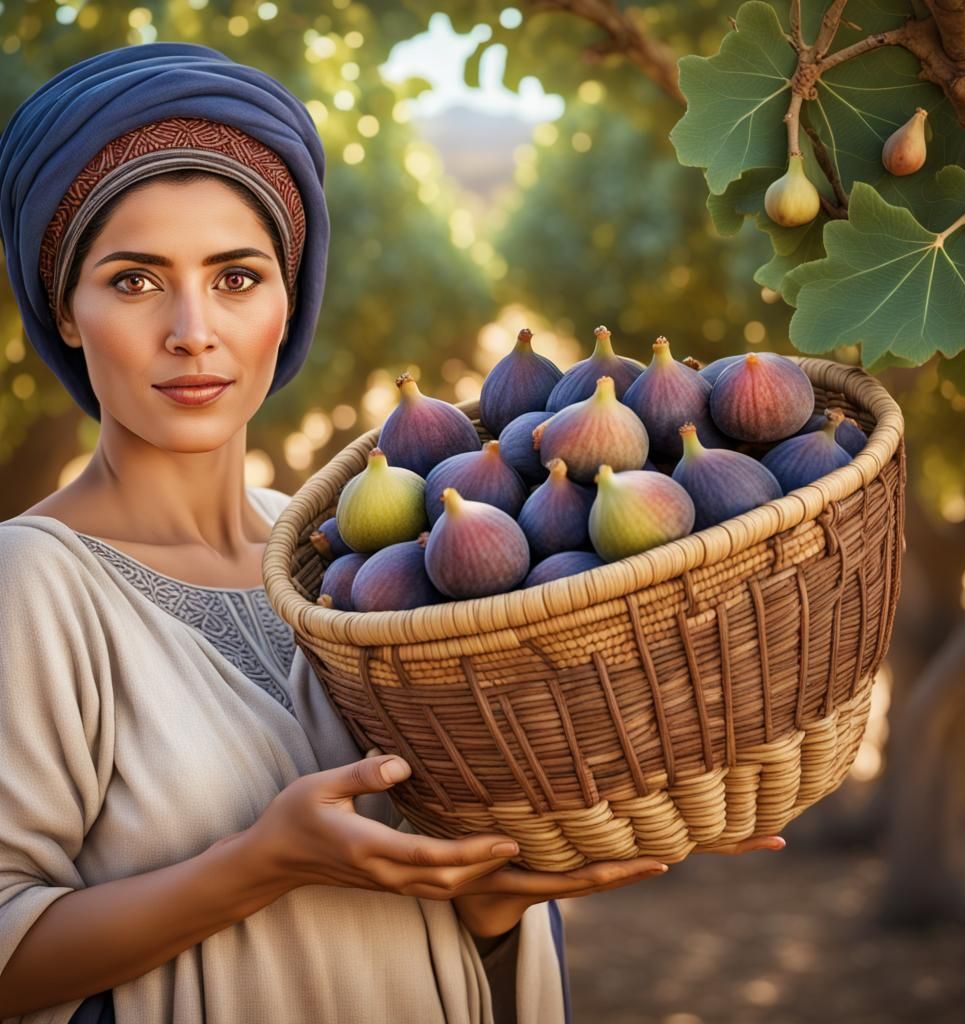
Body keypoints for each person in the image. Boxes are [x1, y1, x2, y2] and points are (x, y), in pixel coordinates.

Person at [0, 42, 783, 1024]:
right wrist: (263, 863)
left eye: (237, 277)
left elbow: (440, 922)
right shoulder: (29, 582)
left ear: (289, 302)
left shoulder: (341, 547)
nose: (192, 329)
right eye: (133, 280)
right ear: (65, 310)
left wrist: (498, 895)